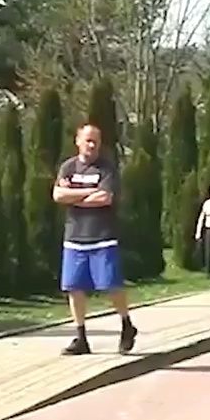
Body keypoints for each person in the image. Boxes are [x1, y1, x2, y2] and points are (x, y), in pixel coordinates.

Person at [53, 122, 136, 355]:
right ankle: (81, 337)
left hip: (102, 237)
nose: (91, 144)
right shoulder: (68, 167)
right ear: (77, 141)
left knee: (111, 284)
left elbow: (105, 198)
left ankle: (126, 324)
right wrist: (88, 193)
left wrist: (74, 197)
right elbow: (58, 194)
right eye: (87, 140)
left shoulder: (106, 169)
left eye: (95, 141)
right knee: (74, 288)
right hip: (74, 237)